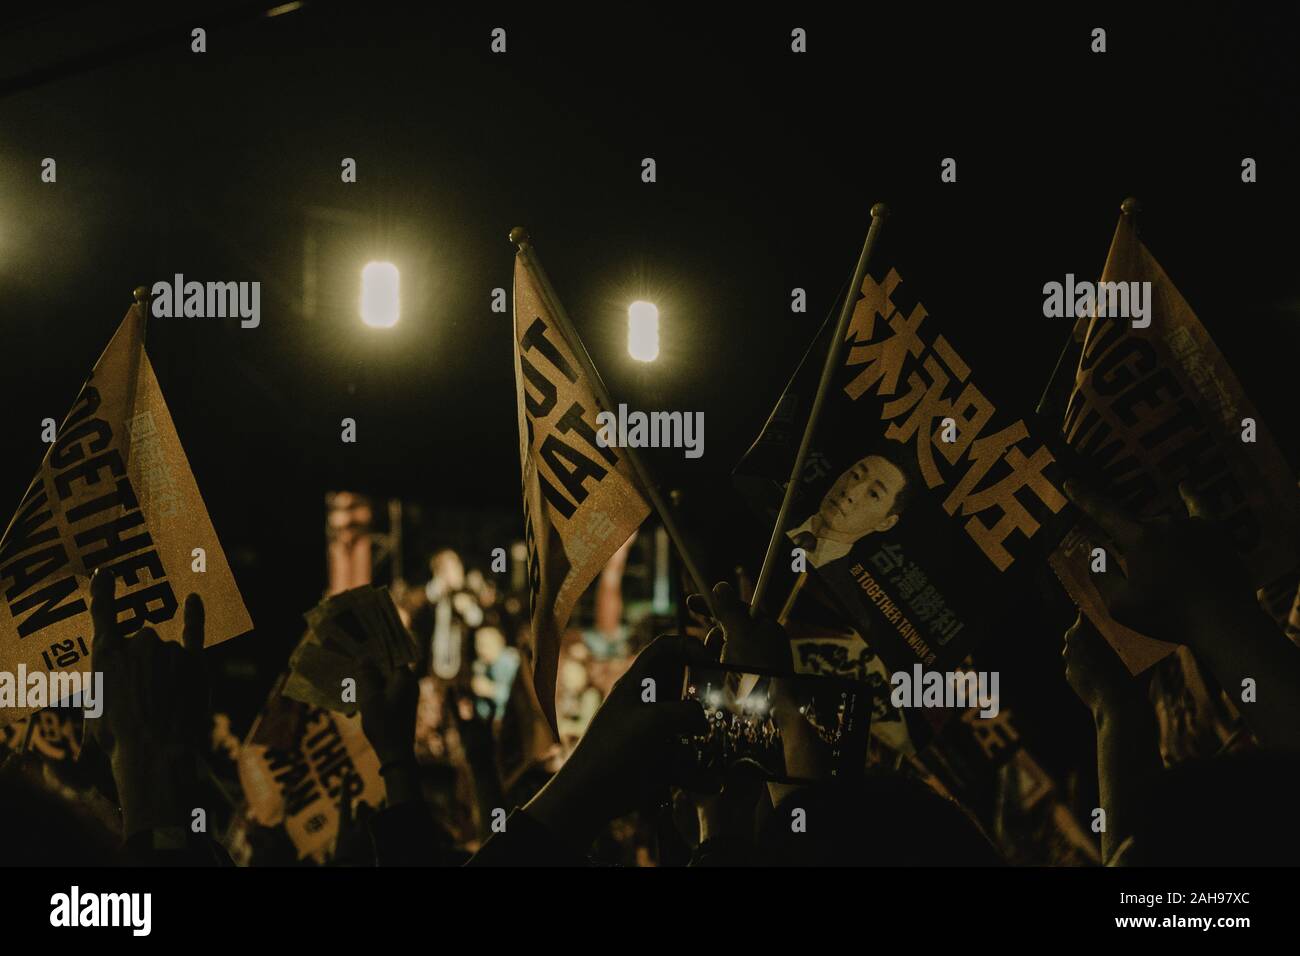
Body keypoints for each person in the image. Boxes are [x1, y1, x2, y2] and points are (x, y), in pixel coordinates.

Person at [788, 443, 914, 568]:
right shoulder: (779, 509)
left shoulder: (838, 585)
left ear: (886, 523)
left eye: (874, 494)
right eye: (855, 475)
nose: (850, 491)